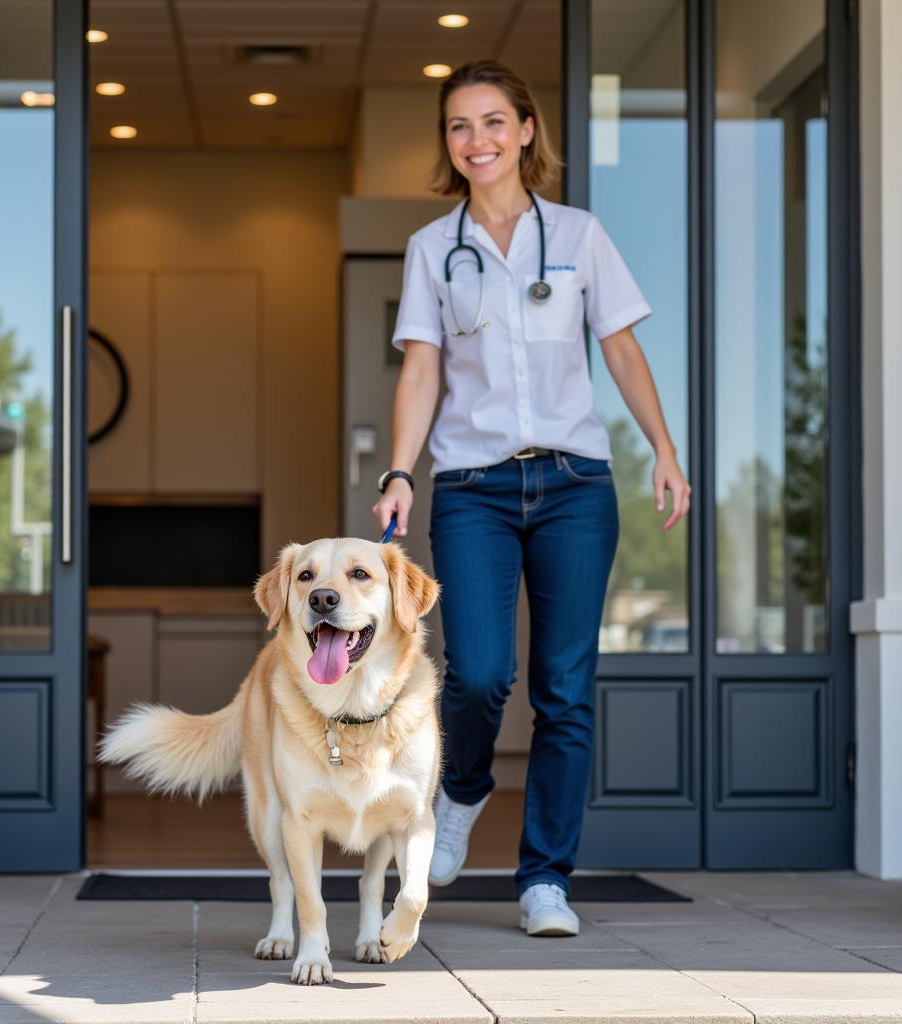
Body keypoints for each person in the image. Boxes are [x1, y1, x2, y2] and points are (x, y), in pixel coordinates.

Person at [372, 60, 690, 938]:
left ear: (525, 130)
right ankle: (465, 789)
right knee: (476, 674)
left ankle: (544, 878)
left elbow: (621, 351)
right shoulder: (435, 248)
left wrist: (663, 448)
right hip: (472, 485)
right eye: (458, 126)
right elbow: (422, 366)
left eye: (491, 122)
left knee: (564, 687)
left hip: (575, 485)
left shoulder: (580, 236)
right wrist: (400, 471)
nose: (476, 140)